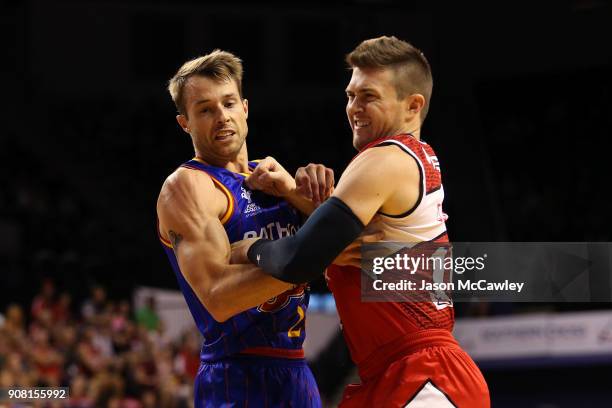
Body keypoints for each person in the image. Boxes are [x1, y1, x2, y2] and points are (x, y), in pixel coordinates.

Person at [234, 36, 490, 407]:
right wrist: (291, 190)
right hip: (408, 371)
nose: (354, 107)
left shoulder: (385, 158)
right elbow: (361, 246)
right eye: (350, 95)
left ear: (412, 105)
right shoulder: (418, 160)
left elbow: (297, 260)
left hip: (424, 375)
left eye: (368, 96)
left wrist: (249, 249)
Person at [156, 50, 331, 407]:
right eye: (205, 109)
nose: (221, 117)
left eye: (228, 103)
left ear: (245, 108)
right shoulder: (188, 187)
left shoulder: (275, 180)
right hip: (236, 376)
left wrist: (299, 195)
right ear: (184, 123)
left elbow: (358, 253)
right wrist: (309, 256)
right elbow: (220, 298)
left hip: (297, 368)